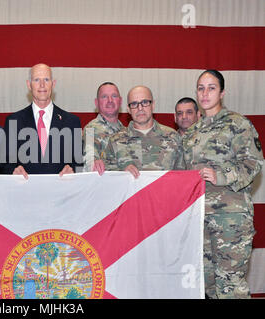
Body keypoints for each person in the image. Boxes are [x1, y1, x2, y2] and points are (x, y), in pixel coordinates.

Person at [183, 70, 263, 299]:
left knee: (230, 286)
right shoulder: (192, 133)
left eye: (211, 88)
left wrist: (222, 175)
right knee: (206, 285)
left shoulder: (237, 123)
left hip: (231, 220)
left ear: (222, 93)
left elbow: (253, 162)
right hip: (200, 220)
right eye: (201, 88)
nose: (205, 93)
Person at [3, 63, 82, 178]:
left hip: (61, 192)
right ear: (29, 85)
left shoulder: (72, 122)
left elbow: (78, 162)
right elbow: (5, 162)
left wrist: (73, 170)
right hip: (26, 192)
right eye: (36, 80)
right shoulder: (13, 121)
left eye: (46, 79)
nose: (42, 85)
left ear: (53, 84)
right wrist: (13, 171)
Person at [100, 85, 184, 177]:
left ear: (153, 105)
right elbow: (107, 180)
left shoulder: (172, 137)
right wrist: (122, 174)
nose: (140, 108)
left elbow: (182, 178)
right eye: (134, 104)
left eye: (145, 102)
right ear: (128, 109)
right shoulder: (115, 141)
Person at [82, 82, 125, 173]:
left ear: (120, 101)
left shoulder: (128, 132)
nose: (110, 100)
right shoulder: (90, 130)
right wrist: (93, 163)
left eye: (114, 96)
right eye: (104, 96)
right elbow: (89, 156)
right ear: (96, 103)